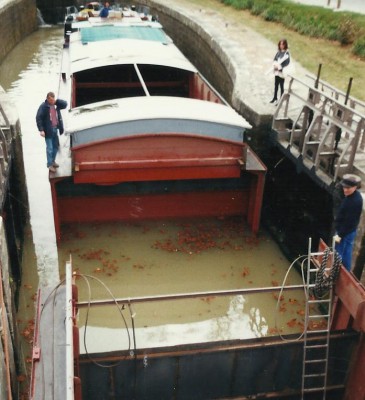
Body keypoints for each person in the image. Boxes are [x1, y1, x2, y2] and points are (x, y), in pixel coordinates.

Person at [334, 174, 363, 271]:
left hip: (345, 231)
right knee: (346, 252)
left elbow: (348, 222)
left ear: (355, 187)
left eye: (348, 188)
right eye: (344, 187)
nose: (345, 190)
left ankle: (337, 273)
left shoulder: (354, 202)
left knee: (339, 254)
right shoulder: (353, 196)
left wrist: (340, 235)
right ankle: (345, 271)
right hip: (348, 230)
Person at [36, 92, 67, 173]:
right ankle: (49, 164)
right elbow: (38, 118)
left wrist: (57, 101)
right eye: (51, 100)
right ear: (47, 99)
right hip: (48, 130)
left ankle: (53, 161)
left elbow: (65, 104)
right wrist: (41, 130)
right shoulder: (43, 106)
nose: (52, 101)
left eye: (53, 99)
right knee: (49, 148)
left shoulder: (56, 104)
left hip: (55, 129)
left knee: (55, 147)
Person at [270, 39, 290, 106]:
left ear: (285, 45)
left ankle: (281, 100)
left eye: (282, 44)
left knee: (281, 86)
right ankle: (275, 97)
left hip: (282, 72)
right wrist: (275, 65)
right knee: (276, 85)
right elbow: (275, 59)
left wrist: (279, 67)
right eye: (280, 44)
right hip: (276, 72)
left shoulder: (286, 53)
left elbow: (286, 63)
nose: (281, 46)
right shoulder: (278, 52)